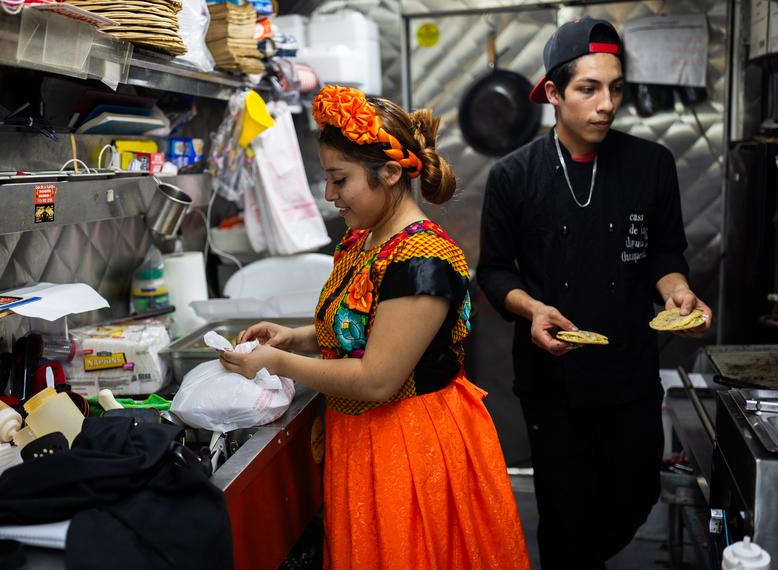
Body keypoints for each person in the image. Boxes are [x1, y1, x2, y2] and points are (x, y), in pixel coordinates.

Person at [219, 85, 529, 569]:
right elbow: (362, 327)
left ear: (388, 174)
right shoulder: (364, 240)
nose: (329, 194)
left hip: (408, 443)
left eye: (339, 179)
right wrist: (295, 336)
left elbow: (378, 378)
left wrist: (280, 363)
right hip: (362, 436)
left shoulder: (421, 259)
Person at [476, 17, 713, 569]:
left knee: (636, 496)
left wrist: (678, 293)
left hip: (629, 371)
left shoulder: (651, 165)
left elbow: (664, 254)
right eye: (588, 89)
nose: (606, 103)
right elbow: (494, 272)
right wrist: (532, 308)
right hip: (552, 383)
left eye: (616, 88)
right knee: (565, 517)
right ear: (554, 94)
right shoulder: (514, 176)